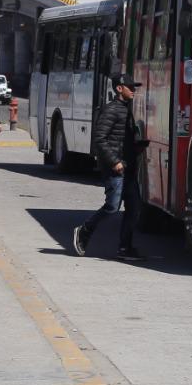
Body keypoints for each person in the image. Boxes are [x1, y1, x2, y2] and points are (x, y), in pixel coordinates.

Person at [72, 73, 143, 260]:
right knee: (112, 207)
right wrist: (114, 162)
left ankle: (125, 248)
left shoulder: (126, 109)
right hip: (116, 168)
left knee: (134, 208)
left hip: (128, 167)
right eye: (130, 87)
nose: (133, 90)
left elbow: (121, 139)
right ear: (119, 88)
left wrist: (138, 147)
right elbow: (100, 139)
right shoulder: (111, 110)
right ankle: (84, 230)